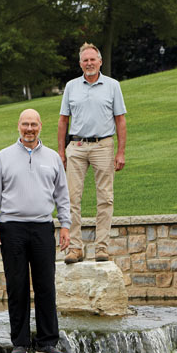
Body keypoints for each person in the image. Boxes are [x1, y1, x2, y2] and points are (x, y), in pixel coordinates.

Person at [0, 109, 70, 353]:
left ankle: (46, 343)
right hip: (12, 228)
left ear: (41, 126)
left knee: (46, 285)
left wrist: (65, 225)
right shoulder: (3, 157)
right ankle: (20, 343)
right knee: (17, 286)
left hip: (43, 227)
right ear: (18, 127)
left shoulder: (53, 158)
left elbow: (62, 196)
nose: (29, 129)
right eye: (25, 124)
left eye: (33, 124)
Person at [57, 43, 126, 264]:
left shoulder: (113, 86)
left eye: (92, 60)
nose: (89, 63)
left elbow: (120, 120)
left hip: (103, 146)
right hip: (76, 147)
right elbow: (63, 120)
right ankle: (75, 248)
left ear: (100, 61)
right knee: (71, 198)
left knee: (105, 198)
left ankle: (102, 247)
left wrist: (121, 152)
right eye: (85, 60)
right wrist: (61, 152)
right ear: (80, 64)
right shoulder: (71, 87)